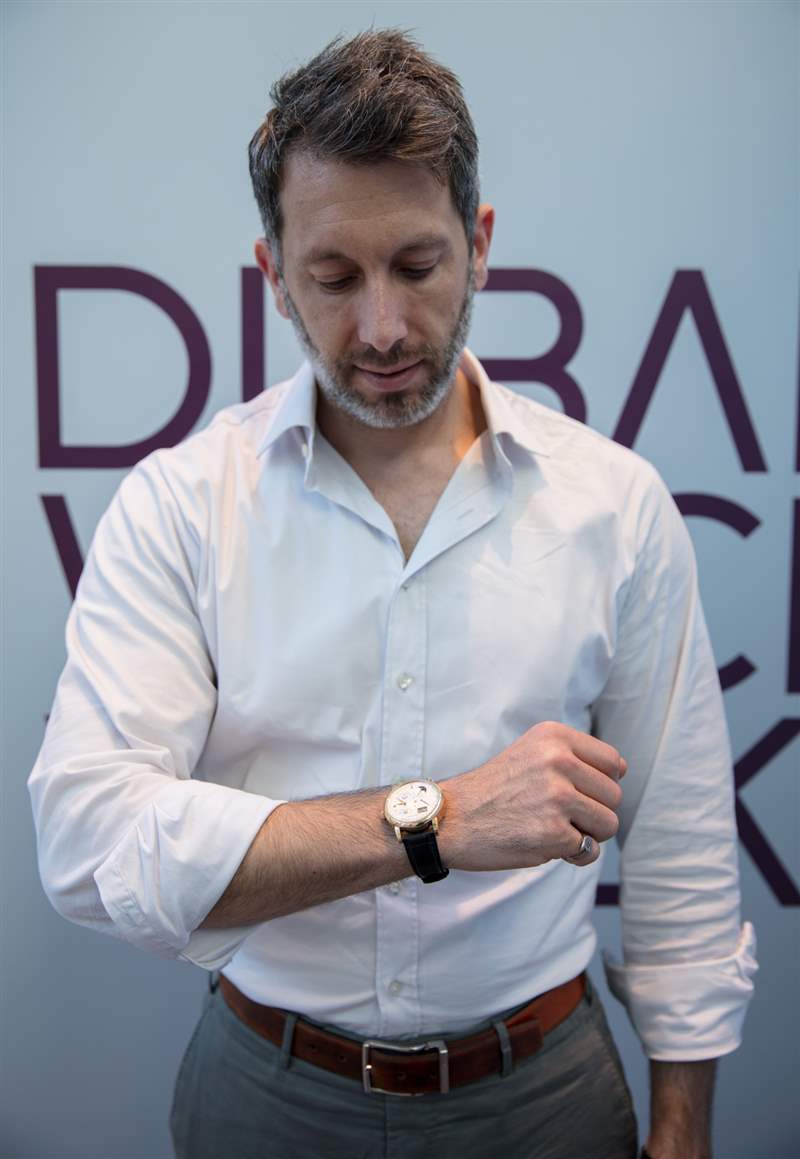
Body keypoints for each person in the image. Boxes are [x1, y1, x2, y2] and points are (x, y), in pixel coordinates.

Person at [28, 29, 757, 1159]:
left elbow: (681, 853)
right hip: (265, 1093)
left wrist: (682, 1131)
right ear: (273, 274)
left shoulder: (614, 505)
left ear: (480, 244)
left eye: (418, 267)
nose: (380, 329)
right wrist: (435, 820)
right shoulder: (181, 505)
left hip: (545, 1098)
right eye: (332, 278)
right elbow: (87, 839)